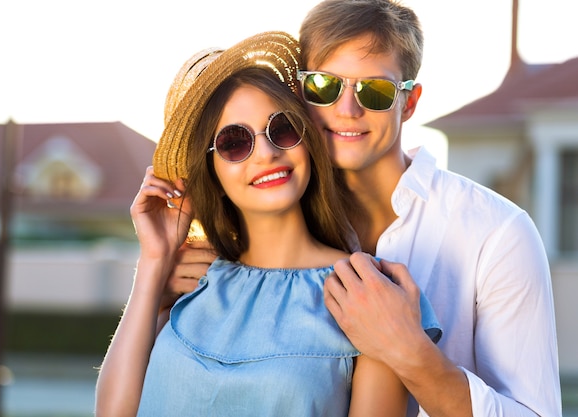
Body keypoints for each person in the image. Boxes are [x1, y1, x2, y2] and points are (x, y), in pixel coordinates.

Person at [162, 1, 562, 416]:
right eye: (324, 85)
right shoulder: (266, 227)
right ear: (299, 94)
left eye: (374, 91)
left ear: (408, 103)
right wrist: (164, 289)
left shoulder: (498, 233)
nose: (347, 110)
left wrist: (406, 348)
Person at [95, 31, 441, 417]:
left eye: (282, 128)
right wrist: (154, 263)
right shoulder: (186, 287)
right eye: (234, 142)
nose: (267, 152)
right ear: (213, 173)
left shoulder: (366, 292)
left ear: (307, 140)